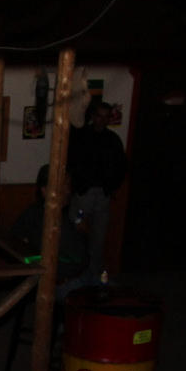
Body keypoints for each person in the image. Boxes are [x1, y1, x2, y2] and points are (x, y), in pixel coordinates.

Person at [10, 163, 102, 302]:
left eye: (69, 185)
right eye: (62, 185)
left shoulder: (43, 210)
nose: (67, 191)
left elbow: (16, 231)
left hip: (76, 277)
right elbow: (80, 256)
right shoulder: (49, 219)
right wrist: (83, 230)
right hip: (69, 284)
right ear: (44, 190)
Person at [66, 98, 129, 278]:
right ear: (93, 117)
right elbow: (70, 163)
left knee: (98, 237)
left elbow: (122, 166)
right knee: (76, 230)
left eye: (106, 117)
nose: (102, 120)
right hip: (83, 194)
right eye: (99, 116)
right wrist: (74, 187)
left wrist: (112, 187)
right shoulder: (81, 137)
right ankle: (74, 273)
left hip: (102, 194)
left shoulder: (112, 140)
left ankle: (93, 275)